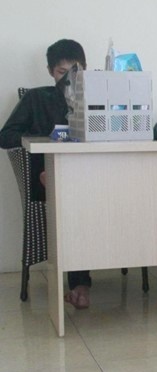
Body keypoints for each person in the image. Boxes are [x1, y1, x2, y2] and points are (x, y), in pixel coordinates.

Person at [0, 39, 93, 309]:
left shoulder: (97, 98)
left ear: (86, 69)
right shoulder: (37, 98)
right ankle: (80, 284)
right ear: (51, 71)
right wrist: (44, 140)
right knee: (75, 202)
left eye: (76, 71)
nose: (69, 78)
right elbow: (5, 136)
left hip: (88, 176)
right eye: (62, 72)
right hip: (47, 177)